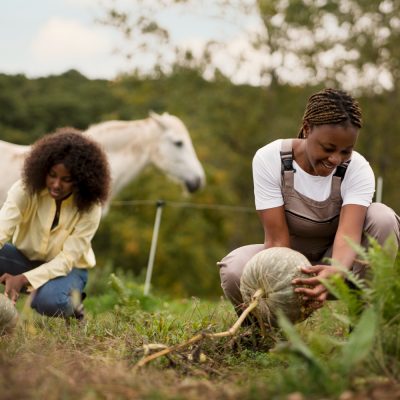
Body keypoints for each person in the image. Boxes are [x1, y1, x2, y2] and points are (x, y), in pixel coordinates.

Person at [218, 88, 400, 315]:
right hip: (287, 258)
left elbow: (348, 236)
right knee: (234, 269)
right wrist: (291, 286)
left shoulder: (358, 169)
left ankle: (364, 324)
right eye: (328, 148)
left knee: (383, 217)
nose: (336, 159)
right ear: (306, 128)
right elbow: (276, 243)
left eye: (346, 151)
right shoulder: (270, 158)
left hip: (340, 266)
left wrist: (336, 271)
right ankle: (262, 334)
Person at [0, 127, 110, 319]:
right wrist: (24, 274)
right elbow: (1, 229)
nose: (56, 184)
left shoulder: (91, 207)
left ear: (81, 180)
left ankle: (74, 308)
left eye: (66, 179)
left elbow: (67, 260)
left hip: (68, 270)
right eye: (52, 175)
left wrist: (23, 279)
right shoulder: (25, 190)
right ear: (43, 169)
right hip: (24, 259)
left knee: (49, 302)